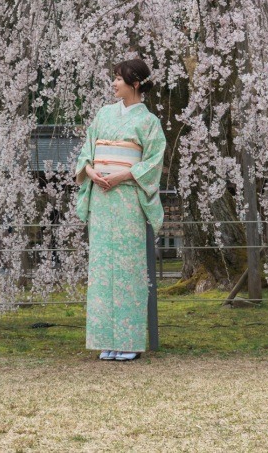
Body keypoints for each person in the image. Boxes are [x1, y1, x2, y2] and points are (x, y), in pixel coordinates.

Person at [74, 56, 167, 362]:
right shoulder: (103, 115)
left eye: (118, 79)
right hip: (102, 197)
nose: (113, 84)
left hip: (127, 197)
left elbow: (153, 162)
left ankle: (128, 341)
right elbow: (87, 151)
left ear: (135, 83)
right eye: (113, 78)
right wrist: (90, 172)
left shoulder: (148, 122)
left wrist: (124, 174)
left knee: (128, 270)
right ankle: (105, 339)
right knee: (102, 270)